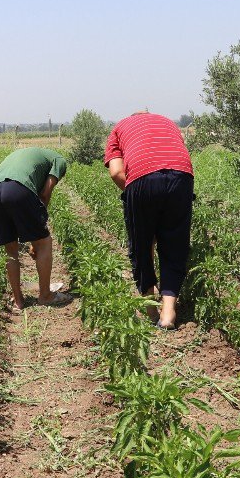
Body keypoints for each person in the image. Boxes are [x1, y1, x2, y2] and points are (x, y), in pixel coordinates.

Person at [104, 110, 194, 329]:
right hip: (181, 175)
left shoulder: (120, 127)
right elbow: (177, 151)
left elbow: (116, 172)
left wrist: (138, 197)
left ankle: (151, 309)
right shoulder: (168, 123)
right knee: (174, 243)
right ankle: (169, 313)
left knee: (141, 244)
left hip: (143, 175)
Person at [0, 147, 72, 309]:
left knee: (10, 251)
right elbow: (45, 194)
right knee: (44, 242)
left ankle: (18, 300)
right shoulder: (59, 160)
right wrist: (38, 234)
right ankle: (45, 295)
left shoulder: (27, 155)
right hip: (18, 188)